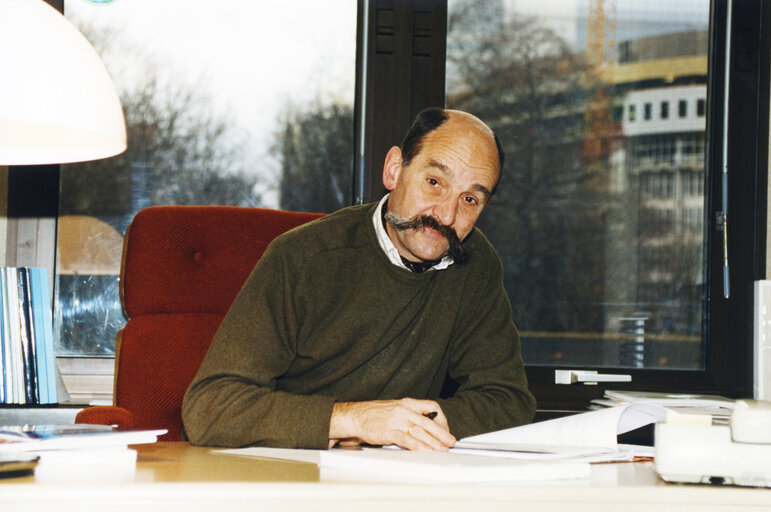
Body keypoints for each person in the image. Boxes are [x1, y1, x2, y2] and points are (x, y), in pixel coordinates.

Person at [181, 107, 536, 451]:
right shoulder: (304, 257)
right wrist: (355, 420)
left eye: (470, 199)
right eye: (433, 182)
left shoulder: (473, 263)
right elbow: (210, 406)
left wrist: (413, 423)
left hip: (394, 480)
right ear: (395, 170)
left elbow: (508, 402)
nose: (445, 214)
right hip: (289, 474)